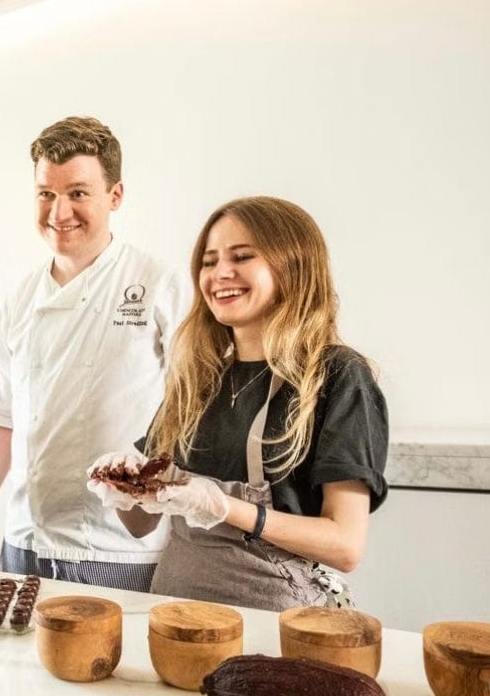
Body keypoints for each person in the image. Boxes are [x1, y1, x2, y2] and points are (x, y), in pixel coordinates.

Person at [88, 196, 388, 611]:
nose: (219, 274)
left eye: (242, 257)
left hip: (275, 620)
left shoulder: (336, 376)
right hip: (176, 614)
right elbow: (141, 525)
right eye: (209, 262)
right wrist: (123, 489)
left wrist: (225, 507)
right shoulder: (199, 377)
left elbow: (345, 546)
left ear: (294, 266)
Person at [0, 116, 192, 590]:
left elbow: (192, 409)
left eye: (78, 193)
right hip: (24, 543)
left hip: (121, 551)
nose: (58, 210)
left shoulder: (158, 286)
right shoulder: (17, 301)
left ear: (116, 196)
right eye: (46, 193)